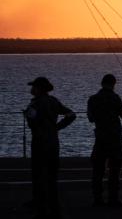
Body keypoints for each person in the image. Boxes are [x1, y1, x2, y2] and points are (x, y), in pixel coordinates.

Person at [24, 76, 77, 219]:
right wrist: (57, 127)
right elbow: (71, 115)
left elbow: (32, 123)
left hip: (40, 143)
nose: (31, 89)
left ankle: (41, 209)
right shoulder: (54, 101)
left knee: (39, 176)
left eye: (34, 86)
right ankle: (55, 210)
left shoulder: (34, 105)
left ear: (39, 89)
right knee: (52, 178)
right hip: (53, 143)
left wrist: (28, 115)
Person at [87, 74, 122, 208]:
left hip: (100, 138)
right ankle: (113, 199)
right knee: (114, 170)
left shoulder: (93, 99)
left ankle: (97, 199)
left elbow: (91, 118)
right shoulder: (115, 98)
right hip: (115, 138)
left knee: (98, 170)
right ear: (113, 84)